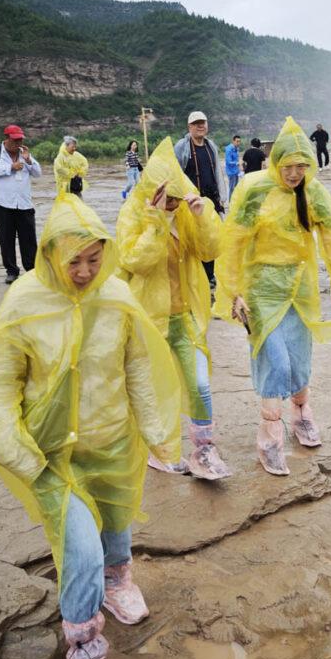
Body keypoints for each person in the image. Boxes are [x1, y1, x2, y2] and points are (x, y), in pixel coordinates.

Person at [0, 194, 181, 659]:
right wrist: (19, 453)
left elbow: (136, 366)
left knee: (116, 518)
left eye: (94, 259)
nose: (85, 272)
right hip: (51, 454)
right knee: (80, 550)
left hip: (112, 438)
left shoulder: (117, 295)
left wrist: (155, 429)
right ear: (49, 256)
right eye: (74, 261)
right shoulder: (25, 301)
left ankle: (118, 579)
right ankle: (84, 652)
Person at [215, 117, 331, 476]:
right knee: (274, 360)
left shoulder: (313, 192)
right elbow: (232, 242)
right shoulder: (254, 189)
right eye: (288, 166)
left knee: (298, 359)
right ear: (275, 162)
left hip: (299, 287)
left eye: (301, 166)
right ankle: (270, 434)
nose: (294, 174)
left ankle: (302, 413)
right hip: (261, 288)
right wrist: (232, 292)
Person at [116, 137, 230, 481]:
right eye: (169, 199)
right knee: (154, 388)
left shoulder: (185, 212)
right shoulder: (133, 213)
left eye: (177, 199)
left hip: (185, 316)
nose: (174, 205)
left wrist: (202, 216)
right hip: (149, 320)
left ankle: (204, 450)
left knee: (200, 384)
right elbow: (134, 261)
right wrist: (156, 221)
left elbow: (210, 251)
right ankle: (159, 450)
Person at [0, 124, 41, 284]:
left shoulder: (24, 152)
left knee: (29, 239)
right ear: (6, 138)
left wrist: (28, 159)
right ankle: (11, 271)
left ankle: (32, 270)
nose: (18, 143)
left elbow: (38, 173)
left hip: (24, 203)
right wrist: (11, 167)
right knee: (6, 239)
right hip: (3, 204)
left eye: (20, 139)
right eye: (15, 140)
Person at [173, 111, 222, 288]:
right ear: (189, 127)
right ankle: (194, 278)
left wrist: (220, 201)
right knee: (192, 240)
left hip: (211, 202)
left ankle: (209, 276)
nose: (200, 126)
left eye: (203, 122)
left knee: (210, 237)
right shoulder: (182, 147)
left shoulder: (211, 146)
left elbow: (217, 173)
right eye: (196, 123)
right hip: (190, 203)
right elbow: (174, 173)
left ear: (207, 125)